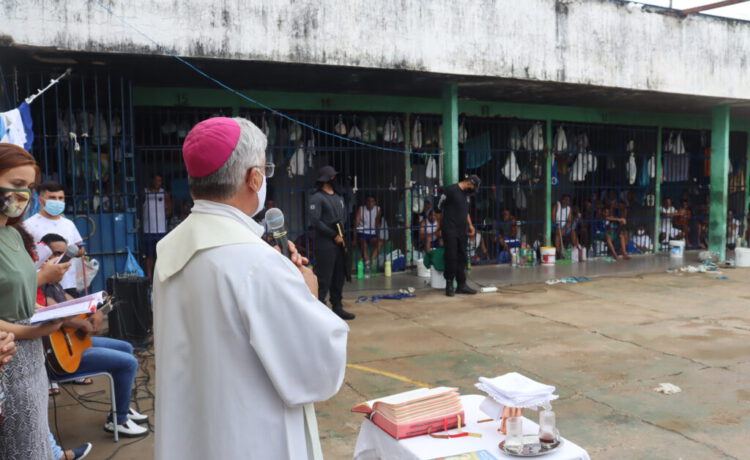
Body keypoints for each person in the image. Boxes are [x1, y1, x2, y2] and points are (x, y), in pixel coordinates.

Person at [153, 117, 348, 460]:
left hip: (195, 431)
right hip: (254, 439)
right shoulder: (258, 264)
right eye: (265, 170)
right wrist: (308, 294)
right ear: (254, 178)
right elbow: (316, 372)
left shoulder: (172, 247)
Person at [38, 232, 149, 436]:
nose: (63, 260)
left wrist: (98, 312)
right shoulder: (38, 284)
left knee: (126, 348)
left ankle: (121, 406)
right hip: (60, 358)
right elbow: (53, 312)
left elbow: (74, 305)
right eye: (56, 254)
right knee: (129, 362)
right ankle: (118, 420)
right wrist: (81, 324)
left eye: (66, 255)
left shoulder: (55, 284)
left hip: (73, 343)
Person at [0, 142, 66, 460]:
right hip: (6, 359)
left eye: (28, 187)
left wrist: (42, 310)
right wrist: (30, 330)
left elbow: (19, 295)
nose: (24, 195)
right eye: (16, 185)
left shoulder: (14, 235)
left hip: (33, 362)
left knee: (37, 440)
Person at [309, 166, 355, 320]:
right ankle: (320, 308)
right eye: (333, 177)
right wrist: (333, 235)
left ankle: (337, 306)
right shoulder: (317, 197)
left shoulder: (338, 197)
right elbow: (315, 221)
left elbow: (342, 218)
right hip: (325, 244)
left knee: (338, 276)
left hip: (340, 242)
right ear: (327, 179)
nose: (336, 180)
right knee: (324, 277)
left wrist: (340, 236)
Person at [23, 181, 84, 297]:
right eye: (52, 197)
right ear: (41, 201)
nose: (57, 201)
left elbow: (81, 248)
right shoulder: (28, 225)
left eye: (61, 198)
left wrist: (76, 251)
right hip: (43, 286)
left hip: (69, 283)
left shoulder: (68, 224)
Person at [436, 175, 479, 297]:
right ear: (470, 183)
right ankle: (449, 284)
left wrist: (470, 225)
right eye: (473, 187)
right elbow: (439, 208)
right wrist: (439, 227)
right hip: (449, 229)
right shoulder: (450, 190)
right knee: (451, 256)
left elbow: (465, 211)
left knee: (462, 256)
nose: (473, 190)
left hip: (462, 230)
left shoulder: (466, 195)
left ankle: (462, 284)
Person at [142, 174, 172, 278]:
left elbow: (169, 211)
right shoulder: (145, 193)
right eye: (156, 180)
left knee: (161, 255)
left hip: (161, 229)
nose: (157, 183)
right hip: (148, 229)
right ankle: (149, 277)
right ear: (152, 181)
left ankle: (160, 275)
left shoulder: (164, 194)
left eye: (160, 181)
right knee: (149, 256)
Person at [355, 195, 384, 278]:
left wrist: (379, 232)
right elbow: (356, 223)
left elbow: (377, 222)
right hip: (362, 232)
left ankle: (371, 262)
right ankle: (367, 265)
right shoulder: (361, 209)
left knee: (380, 243)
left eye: (372, 201)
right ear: (366, 202)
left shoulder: (378, 209)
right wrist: (354, 237)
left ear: (375, 202)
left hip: (372, 233)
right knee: (364, 244)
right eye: (368, 201)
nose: (370, 203)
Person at [552, 194, 580, 259]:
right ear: (562, 199)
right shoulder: (557, 205)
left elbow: (570, 221)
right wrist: (556, 224)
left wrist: (565, 228)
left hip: (565, 227)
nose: (566, 201)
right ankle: (558, 254)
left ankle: (575, 250)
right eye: (565, 200)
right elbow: (553, 216)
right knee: (557, 235)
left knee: (573, 232)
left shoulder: (569, 208)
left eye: (568, 200)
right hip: (556, 226)